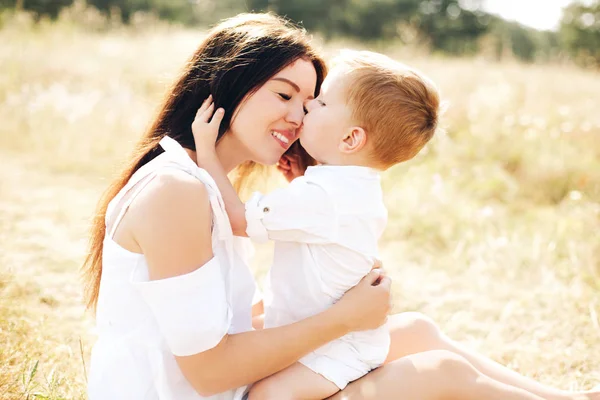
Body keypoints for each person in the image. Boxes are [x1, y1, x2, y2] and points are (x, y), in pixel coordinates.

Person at [82, 12, 600, 400]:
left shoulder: (200, 183)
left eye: (310, 103)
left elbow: (218, 318)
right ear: (229, 84)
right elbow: (207, 369)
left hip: (228, 385)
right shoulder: (179, 190)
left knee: (416, 330)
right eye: (284, 96)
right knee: (438, 374)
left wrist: (337, 288)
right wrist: (346, 318)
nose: (298, 118)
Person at [191, 50, 439, 399]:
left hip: (333, 348)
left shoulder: (321, 195)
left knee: (266, 396)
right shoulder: (350, 188)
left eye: (320, 104)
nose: (306, 108)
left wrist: (206, 150)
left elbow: (237, 218)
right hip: (340, 338)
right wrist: (298, 182)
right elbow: (319, 226)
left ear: (350, 139)